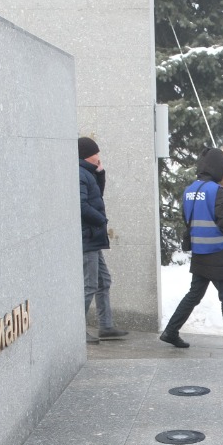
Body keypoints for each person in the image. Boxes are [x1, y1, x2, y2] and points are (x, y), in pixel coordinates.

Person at [160, 147, 223, 356]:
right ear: (218, 169)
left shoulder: (190, 190)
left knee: (194, 294)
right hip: (218, 251)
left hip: (200, 251)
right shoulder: (216, 191)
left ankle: (171, 331)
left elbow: (188, 219)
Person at [79, 137, 127, 343]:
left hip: (93, 237)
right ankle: (76, 330)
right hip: (87, 238)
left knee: (103, 281)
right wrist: (101, 220)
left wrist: (101, 174)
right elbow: (81, 205)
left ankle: (105, 327)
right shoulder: (79, 174)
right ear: (88, 154)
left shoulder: (88, 173)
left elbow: (97, 196)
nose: (99, 156)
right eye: (96, 153)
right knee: (90, 285)